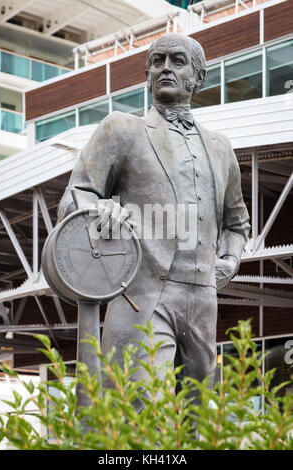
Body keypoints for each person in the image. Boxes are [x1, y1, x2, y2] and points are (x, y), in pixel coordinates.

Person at [57, 33, 250, 409]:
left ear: (198, 76)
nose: (165, 68)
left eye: (177, 61)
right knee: (141, 413)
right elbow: (76, 194)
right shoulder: (122, 129)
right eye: (157, 61)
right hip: (141, 298)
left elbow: (237, 223)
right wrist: (99, 210)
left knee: (199, 421)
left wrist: (223, 266)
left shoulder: (221, 147)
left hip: (202, 301)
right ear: (147, 75)